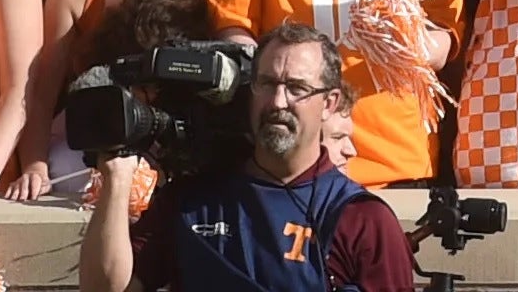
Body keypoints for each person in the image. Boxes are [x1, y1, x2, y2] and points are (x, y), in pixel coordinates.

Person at [81, 21, 412, 292]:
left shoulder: (361, 220)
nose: (278, 102)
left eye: (297, 88)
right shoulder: (191, 201)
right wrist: (116, 176)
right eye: (267, 84)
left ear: (329, 103)